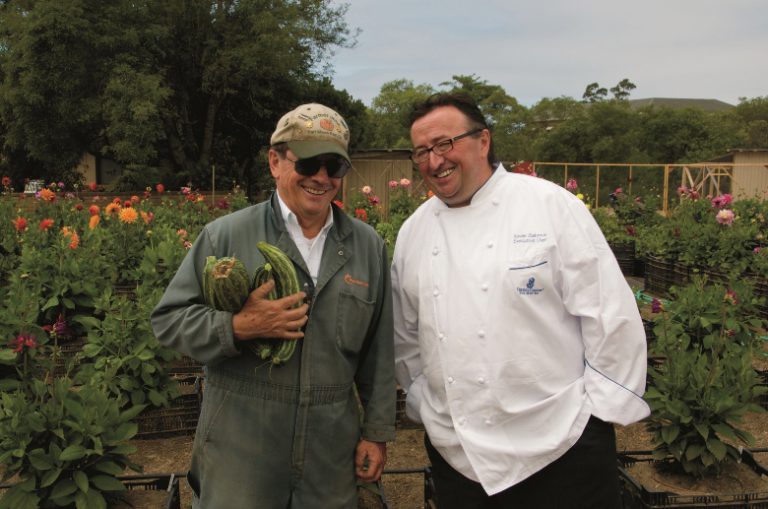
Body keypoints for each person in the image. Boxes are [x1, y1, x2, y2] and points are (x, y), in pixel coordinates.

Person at [391, 92, 650, 509]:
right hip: (457, 455)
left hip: (559, 446)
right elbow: (405, 334)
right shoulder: (413, 232)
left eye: (444, 144)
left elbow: (609, 313)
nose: (433, 161)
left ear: (484, 140)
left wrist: (597, 416)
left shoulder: (548, 206)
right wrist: (423, 400)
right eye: (421, 151)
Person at [151, 103, 395, 509]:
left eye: (334, 166)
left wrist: (377, 431)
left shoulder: (367, 246)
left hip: (330, 453)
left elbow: (379, 351)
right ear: (275, 162)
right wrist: (238, 326)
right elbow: (169, 321)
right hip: (241, 446)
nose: (321, 177)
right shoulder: (224, 236)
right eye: (310, 163)